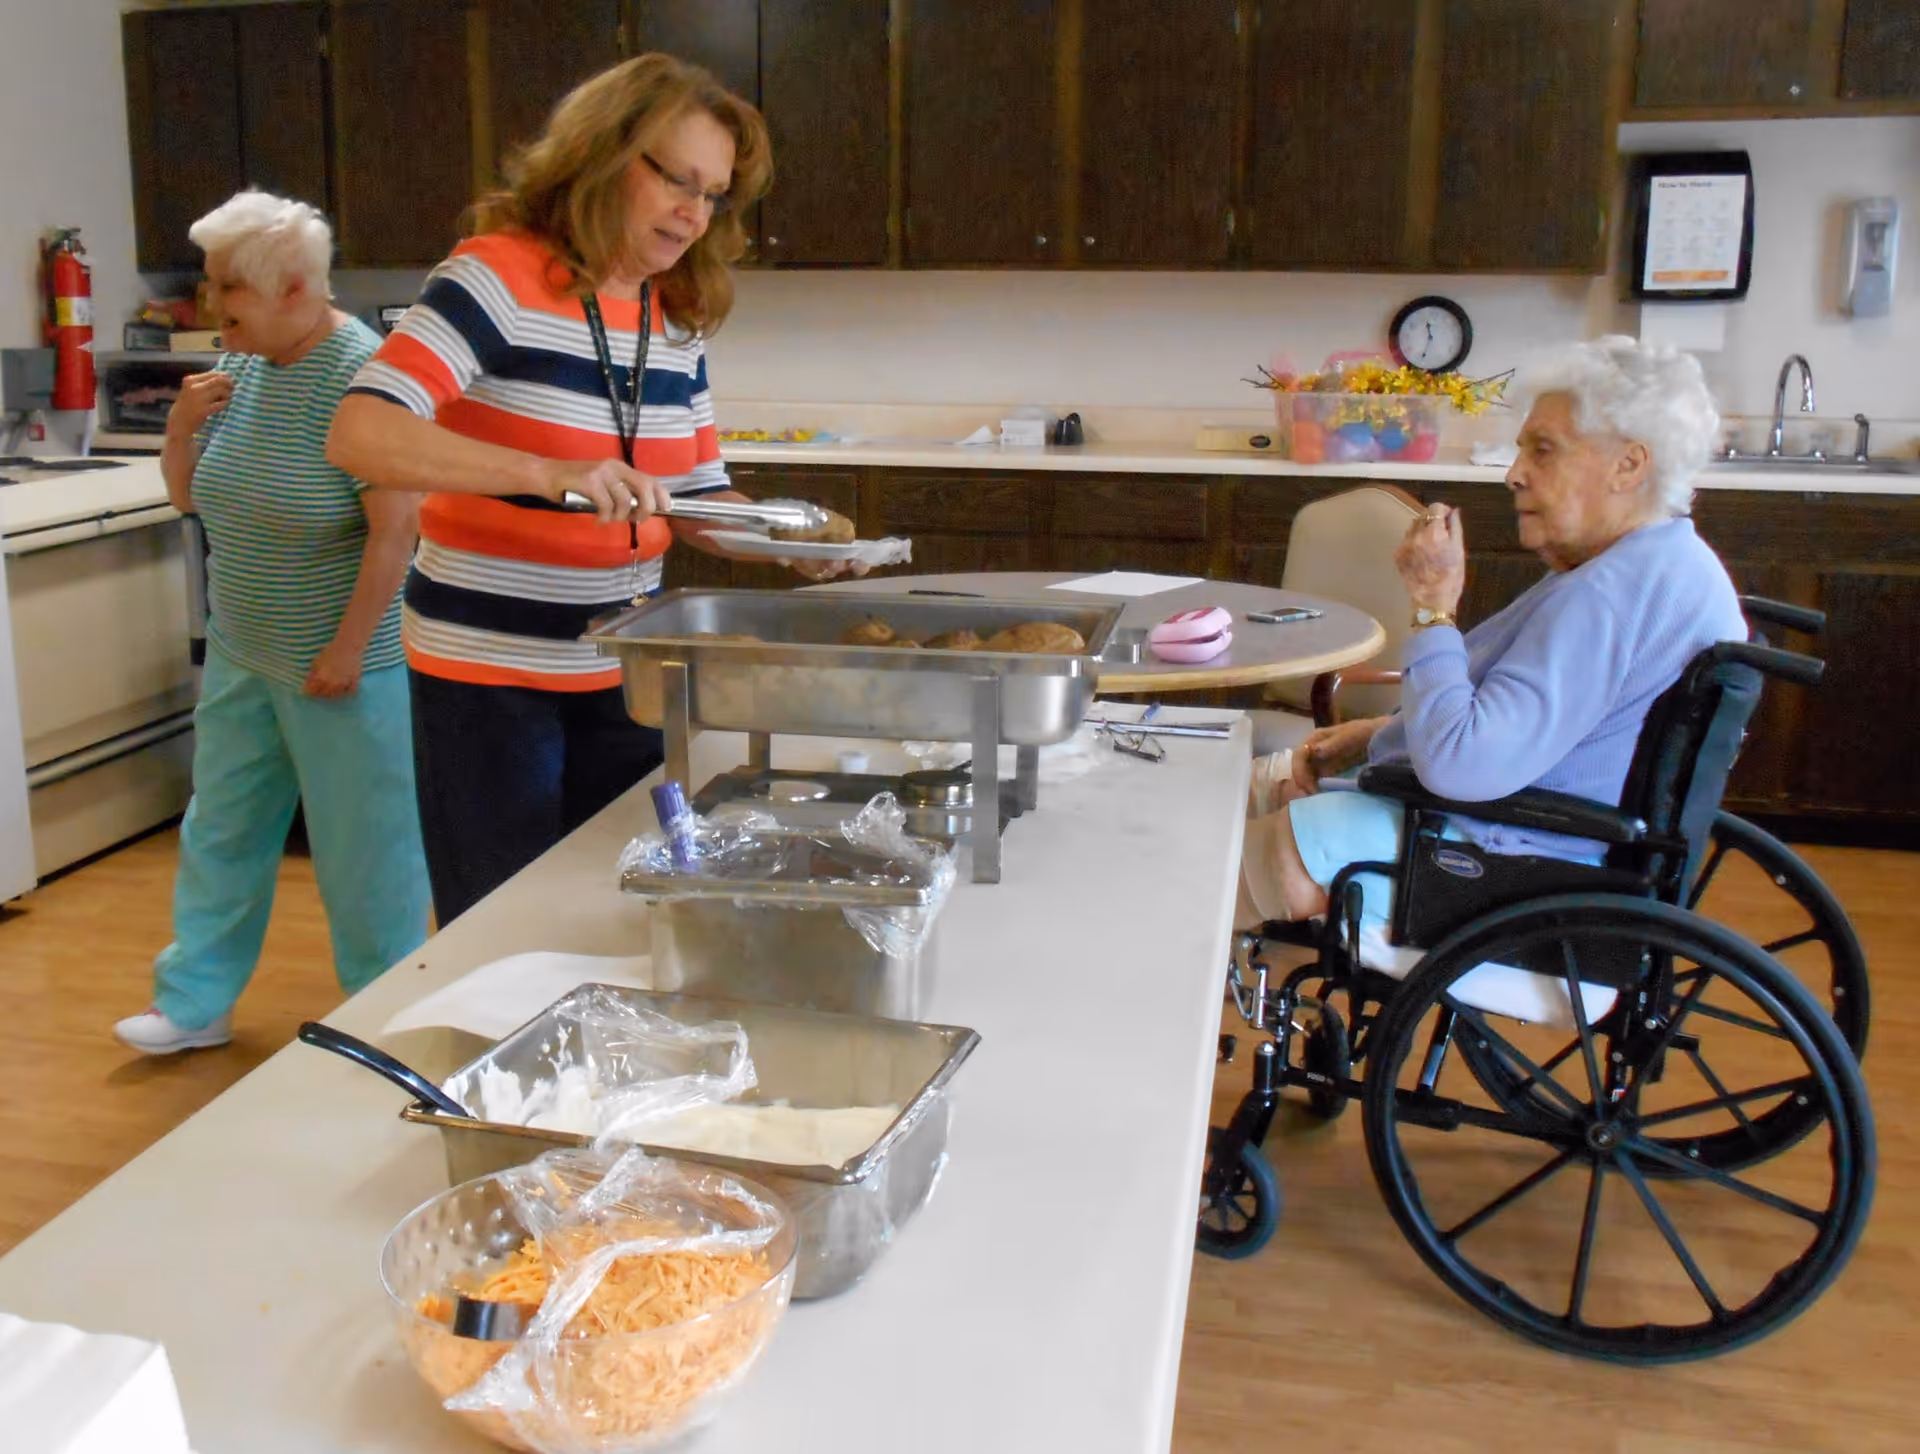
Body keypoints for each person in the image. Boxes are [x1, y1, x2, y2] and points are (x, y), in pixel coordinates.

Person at [326, 53, 835, 926]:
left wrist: (792, 539)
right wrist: (544, 474)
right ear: (603, 157)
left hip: (628, 667)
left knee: (615, 903)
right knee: (501, 921)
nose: (694, 212)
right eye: (678, 179)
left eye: (714, 194)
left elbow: (698, 492)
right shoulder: (496, 276)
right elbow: (361, 431)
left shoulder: (672, 313)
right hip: (488, 675)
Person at [1237, 335, 1747, 932]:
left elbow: (1459, 766)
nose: (1514, 474)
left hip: (1504, 858)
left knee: (1203, 861)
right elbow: (1545, 724)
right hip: (1535, 835)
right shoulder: (1665, 564)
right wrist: (1377, 732)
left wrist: (1432, 606)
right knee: (1241, 787)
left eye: (1544, 451)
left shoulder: (1606, 597)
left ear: (1628, 465)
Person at [115, 191, 430, 1055]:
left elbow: (396, 530)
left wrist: (348, 647)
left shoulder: (367, 379)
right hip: (244, 645)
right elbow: (193, 497)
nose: (214, 307)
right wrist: (178, 427)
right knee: (221, 826)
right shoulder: (246, 367)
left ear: (294, 289)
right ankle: (194, 1004)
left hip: (343, 661)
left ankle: (385, 1021)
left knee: (366, 856)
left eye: (229, 289)